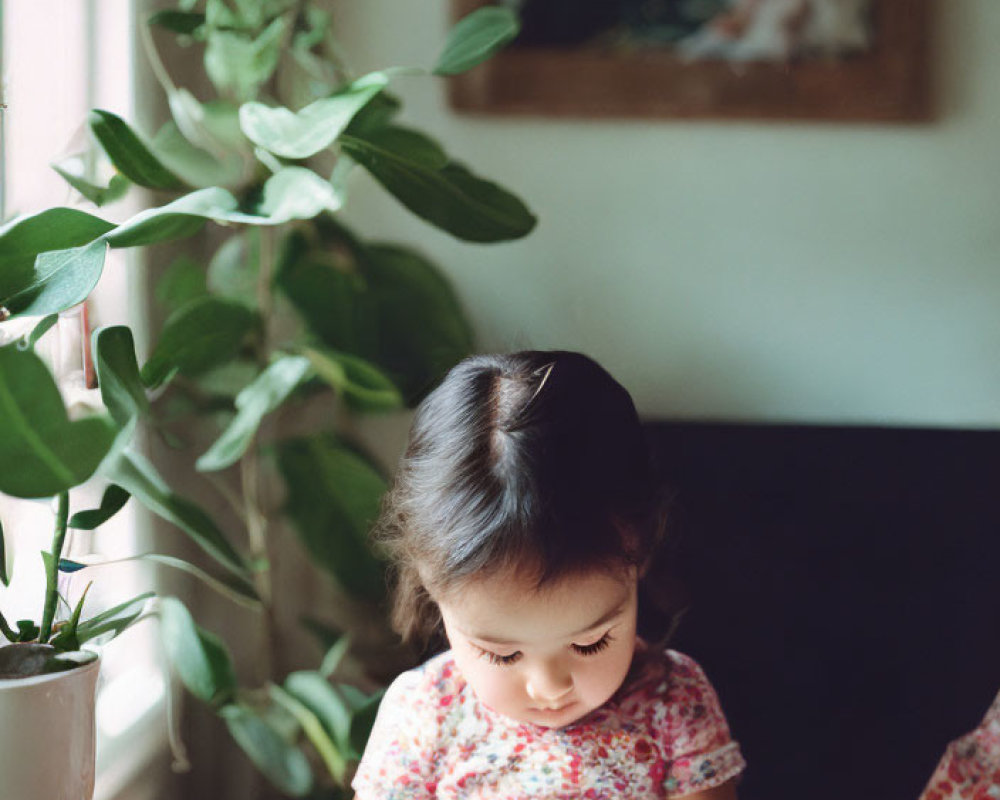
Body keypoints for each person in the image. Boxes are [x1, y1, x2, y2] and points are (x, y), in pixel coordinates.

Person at [353, 351, 746, 799]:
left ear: (640, 556)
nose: (550, 688)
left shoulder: (673, 700)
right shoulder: (426, 713)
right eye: (502, 655)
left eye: (590, 643)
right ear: (431, 583)